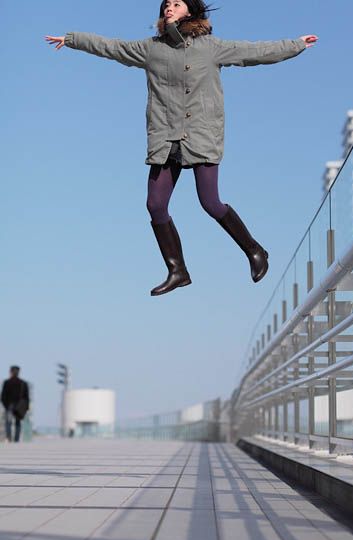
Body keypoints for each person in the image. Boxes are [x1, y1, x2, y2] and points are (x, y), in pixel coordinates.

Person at [45, 1, 318, 297]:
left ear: (189, 11)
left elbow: (256, 51)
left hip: (201, 134)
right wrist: (71, 39)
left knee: (210, 202)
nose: (169, 8)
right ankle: (177, 271)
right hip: (165, 136)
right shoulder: (151, 49)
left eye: (176, 3)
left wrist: (296, 44)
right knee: (155, 205)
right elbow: (111, 47)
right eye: (166, 4)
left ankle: (255, 251)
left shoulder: (211, 47)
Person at [1, 366, 30, 443]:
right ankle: (16, 439)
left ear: (10, 372)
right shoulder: (23, 383)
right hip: (20, 406)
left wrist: (6, 405)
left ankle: (9, 438)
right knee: (18, 423)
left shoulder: (7, 382)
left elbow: (3, 396)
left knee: (8, 422)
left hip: (9, 406)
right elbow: (27, 397)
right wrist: (26, 407)